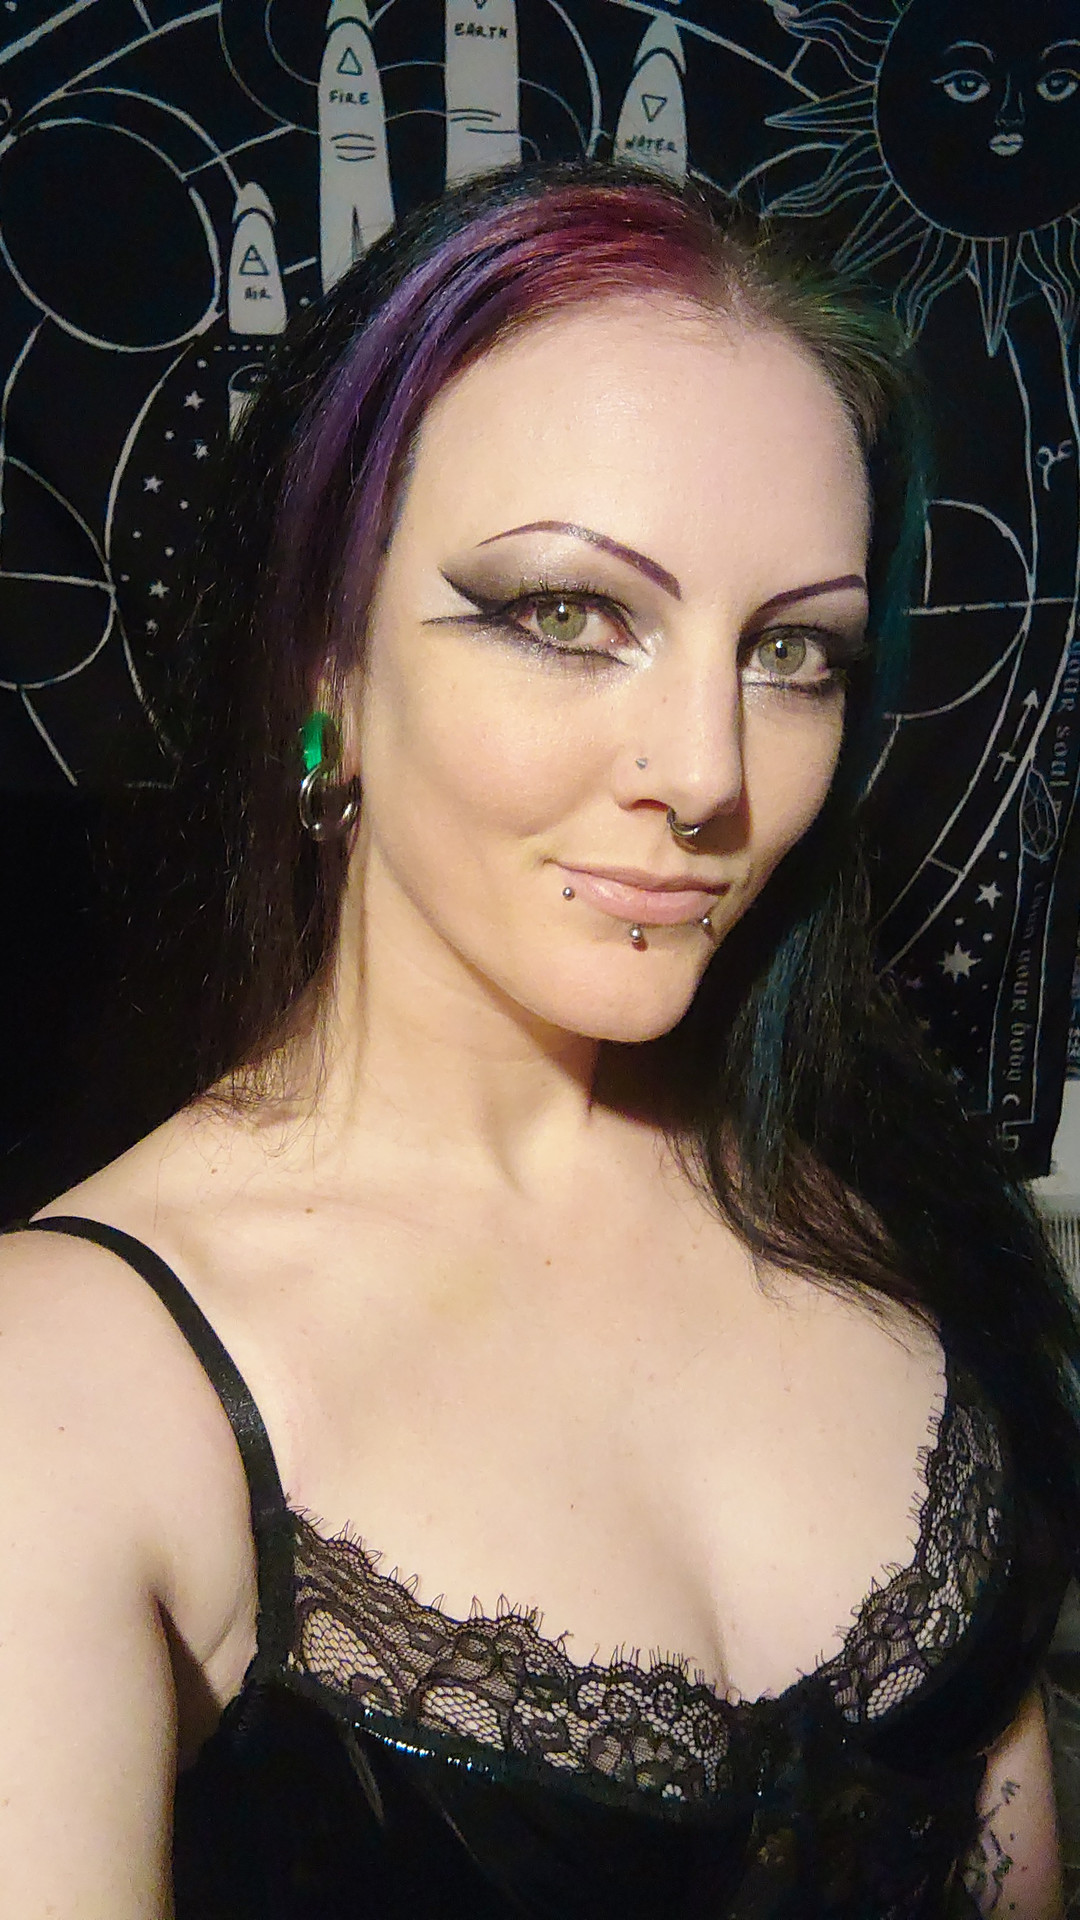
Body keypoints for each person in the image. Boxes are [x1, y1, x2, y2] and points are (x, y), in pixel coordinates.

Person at [1, 161, 1077, 1919]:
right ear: (326, 663)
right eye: (571, 617)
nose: (708, 774)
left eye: (793, 652)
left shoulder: (898, 1214)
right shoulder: (65, 1391)